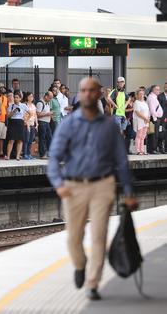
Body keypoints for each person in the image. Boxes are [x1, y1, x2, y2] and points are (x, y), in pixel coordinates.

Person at [47, 77, 137, 301]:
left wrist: (128, 192)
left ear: (98, 95)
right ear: (80, 94)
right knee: (73, 237)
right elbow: (54, 157)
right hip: (73, 186)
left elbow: (121, 160)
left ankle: (92, 283)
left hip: (102, 185)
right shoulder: (68, 124)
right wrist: (58, 184)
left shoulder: (109, 126)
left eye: (92, 90)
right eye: (83, 90)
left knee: (99, 236)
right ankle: (79, 265)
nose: (87, 94)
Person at [6, 92, 28, 161]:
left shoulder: (23, 105)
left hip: (20, 122)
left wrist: (26, 120)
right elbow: (8, 116)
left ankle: (18, 156)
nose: (15, 99)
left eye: (17, 97)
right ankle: (8, 156)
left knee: (20, 140)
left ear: (20, 98)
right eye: (14, 97)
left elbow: (30, 113)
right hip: (13, 122)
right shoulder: (11, 106)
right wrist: (13, 111)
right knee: (11, 140)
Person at [36, 91, 54, 159]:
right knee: (42, 138)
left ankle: (49, 153)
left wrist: (50, 114)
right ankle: (42, 154)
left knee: (49, 138)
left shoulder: (47, 103)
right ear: (46, 96)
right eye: (50, 98)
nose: (50, 99)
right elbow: (37, 114)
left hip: (47, 122)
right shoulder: (40, 103)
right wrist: (47, 114)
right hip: (42, 122)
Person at [146, 85, 163, 154]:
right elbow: (152, 109)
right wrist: (155, 119)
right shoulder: (152, 98)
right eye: (157, 89)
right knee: (153, 135)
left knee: (154, 134)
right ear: (153, 90)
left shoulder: (154, 97)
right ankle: (152, 149)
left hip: (155, 118)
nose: (159, 91)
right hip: (154, 118)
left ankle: (153, 149)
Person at [133, 89, 150, 155]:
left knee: (143, 136)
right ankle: (138, 150)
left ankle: (142, 150)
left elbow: (148, 112)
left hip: (145, 121)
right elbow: (137, 112)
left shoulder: (144, 102)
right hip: (139, 120)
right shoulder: (136, 102)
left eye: (142, 94)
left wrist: (148, 118)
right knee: (139, 135)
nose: (142, 95)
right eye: (140, 94)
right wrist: (145, 118)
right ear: (137, 95)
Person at [22, 92, 38, 160]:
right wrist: (26, 122)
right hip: (27, 124)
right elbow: (23, 115)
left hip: (32, 124)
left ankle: (29, 153)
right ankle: (25, 154)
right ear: (27, 97)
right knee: (26, 139)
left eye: (32, 96)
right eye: (30, 96)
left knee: (31, 140)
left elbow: (35, 115)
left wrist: (36, 123)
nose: (31, 98)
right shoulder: (24, 105)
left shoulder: (33, 105)